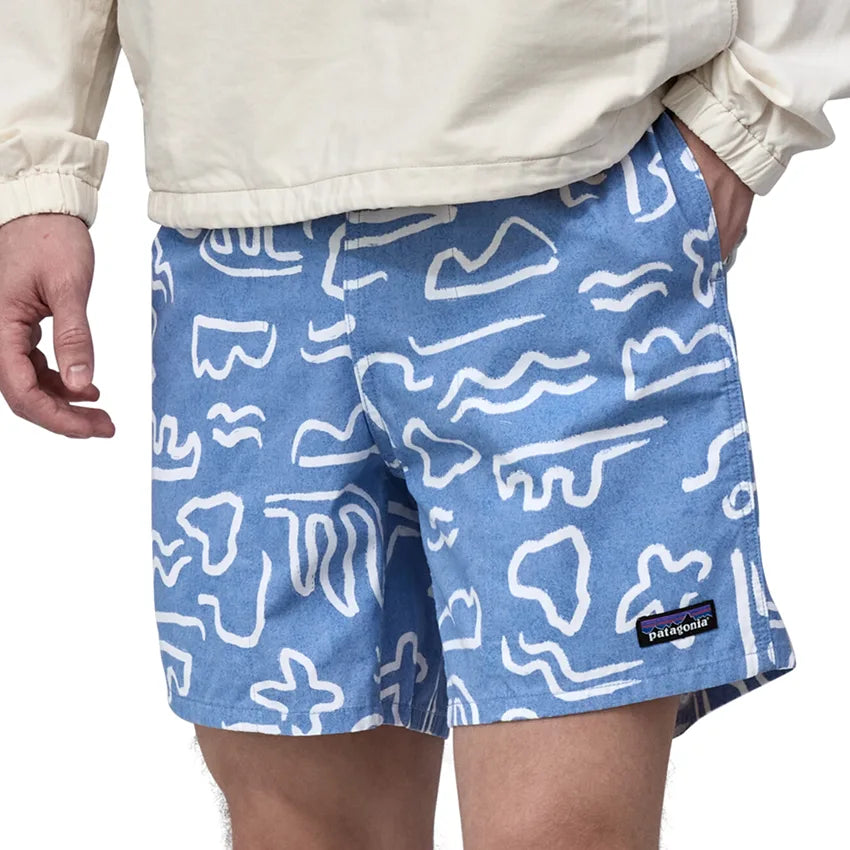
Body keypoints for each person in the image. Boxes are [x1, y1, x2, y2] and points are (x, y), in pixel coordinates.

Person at [1, 3, 848, 848]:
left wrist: (747, 116)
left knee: (566, 830)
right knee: (298, 827)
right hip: (236, 231)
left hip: (566, 203)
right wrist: (33, 172)